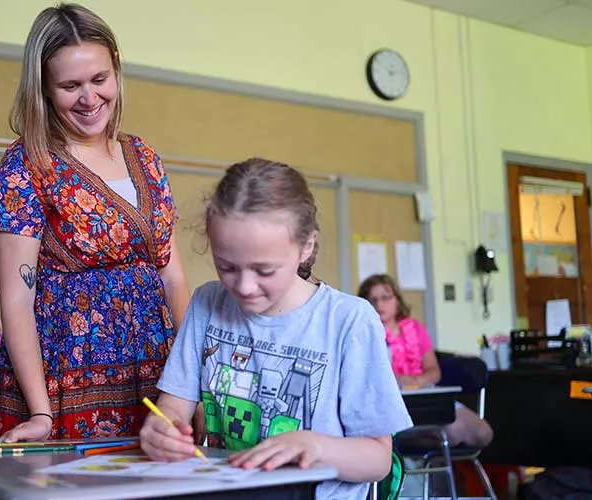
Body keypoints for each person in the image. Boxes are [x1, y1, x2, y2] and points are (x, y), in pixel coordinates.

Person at [139, 158, 413, 499]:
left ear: (307, 246)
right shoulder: (207, 303)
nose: (244, 286)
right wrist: (162, 429)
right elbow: (172, 407)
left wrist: (315, 446)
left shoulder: (349, 320)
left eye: (264, 270)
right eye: (226, 266)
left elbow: (378, 459)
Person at [0, 3, 191, 442]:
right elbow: (17, 301)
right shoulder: (27, 167)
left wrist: (195, 383)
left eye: (99, 80)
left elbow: (172, 277)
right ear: (42, 87)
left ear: (116, 69)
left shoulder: (145, 157)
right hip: (69, 378)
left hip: (158, 376)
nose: (89, 98)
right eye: (70, 85)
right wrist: (41, 414)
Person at [358, 274, 493, 448]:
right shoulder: (364, 334)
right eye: (372, 299)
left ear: (397, 300)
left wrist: (415, 381)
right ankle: (420, 459)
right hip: (390, 405)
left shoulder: (415, 328)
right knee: (453, 431)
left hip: (426, 396)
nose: (379, 304)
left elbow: (434, 372)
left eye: (385, 298)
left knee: (483, 432)